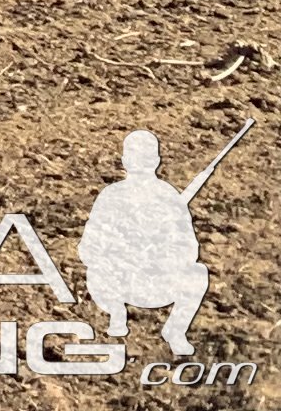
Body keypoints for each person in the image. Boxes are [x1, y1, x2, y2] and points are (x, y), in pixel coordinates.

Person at [80, 130, 214, 359]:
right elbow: (88, 248)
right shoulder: (111, 196)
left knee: (197, 273)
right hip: (118, 282)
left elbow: (188, 249)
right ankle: (116, 313)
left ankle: (175, 331)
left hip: (156, 283)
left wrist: (159, 257)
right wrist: (121, 253)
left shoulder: (168, 197)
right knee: (96, 271)